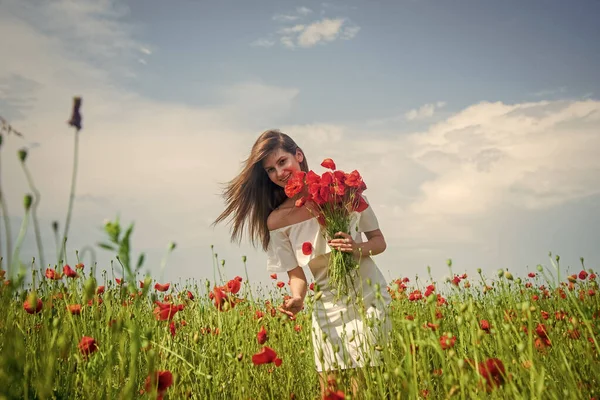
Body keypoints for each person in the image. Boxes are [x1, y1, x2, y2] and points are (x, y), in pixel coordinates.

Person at [214, 129, 392, 397]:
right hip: (327, 307)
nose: (279, 173)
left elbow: (378, 241)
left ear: (298, 156)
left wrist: (356, 248)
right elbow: (297, 276)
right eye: (271, 170)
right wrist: (296, 298)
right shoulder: (277, 220)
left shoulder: (341, 190)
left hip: (368, 300)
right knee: (329, 392)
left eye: (282, 162)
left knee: (362, 389)